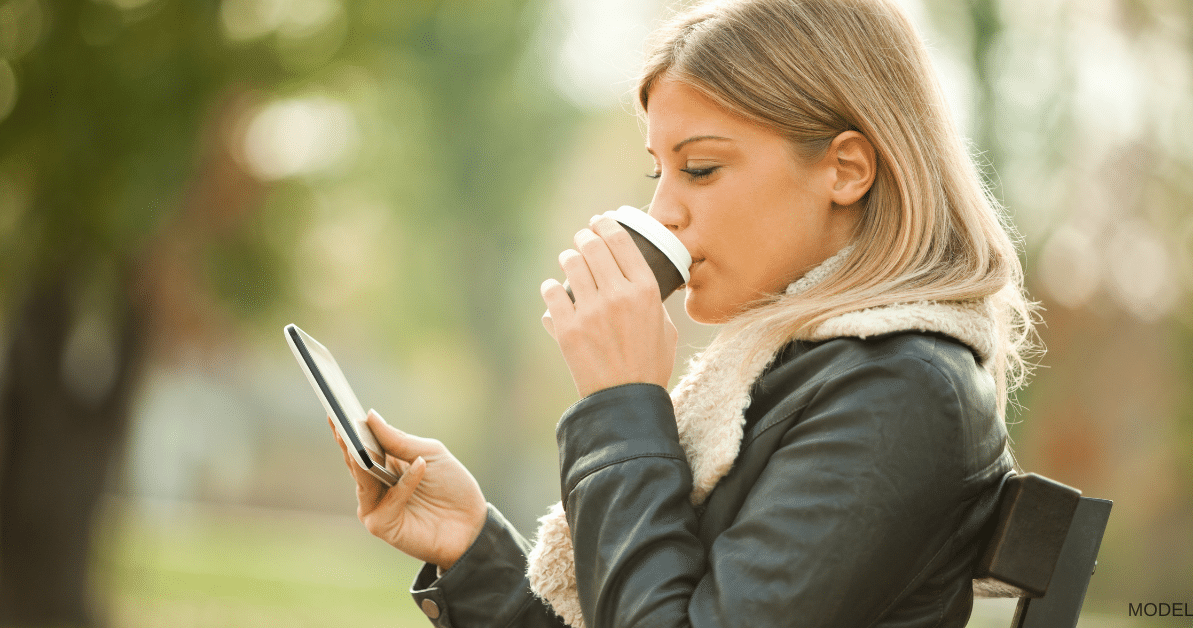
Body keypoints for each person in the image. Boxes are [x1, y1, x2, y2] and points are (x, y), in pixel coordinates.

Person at [330, 0, 1039, 626]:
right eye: (657, 171)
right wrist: (472, 544)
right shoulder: (786, 377)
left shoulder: (899, 390)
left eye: (699, 168)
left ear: (846, 169)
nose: (662, 210)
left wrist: (621, 405)